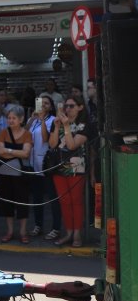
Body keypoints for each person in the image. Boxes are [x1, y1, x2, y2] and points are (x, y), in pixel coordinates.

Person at [48, 95, 90, 247]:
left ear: (80, 107)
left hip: (76, 167)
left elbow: (72, 145)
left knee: (76, 202)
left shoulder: (83, 125)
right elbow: (52, 144)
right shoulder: (58, 122)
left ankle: (77, 234)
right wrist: (57, 126)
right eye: (66, 106)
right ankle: (69, 232)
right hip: (58, 166)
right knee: (64, 202)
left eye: (72, 106)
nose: (68, 109)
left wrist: (66, 127)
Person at [0, 105, 33, 243]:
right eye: (9, 118)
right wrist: (16, 152)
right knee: (6, 202)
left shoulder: (27, 134)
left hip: (21, 174)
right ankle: (10, 231)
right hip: (4, 173)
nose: (10, 121)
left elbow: (26, 153)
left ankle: (23, 231)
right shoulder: (3, 132)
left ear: (21, 119)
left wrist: (8, 151)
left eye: (14, 118)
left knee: (22, 201)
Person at [27, 94, 62, 240]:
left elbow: (46, 138)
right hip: (33, 162)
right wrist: (33, 118)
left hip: (47, 163)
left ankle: (56, 227)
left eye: (46, 103)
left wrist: (41, 120)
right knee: (37, 197)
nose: (43, 106)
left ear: (51, 106)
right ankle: (38, 225)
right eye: (41, 103)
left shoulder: (53, 120)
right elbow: (25, 133)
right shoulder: (34, 120)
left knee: (52, 198)